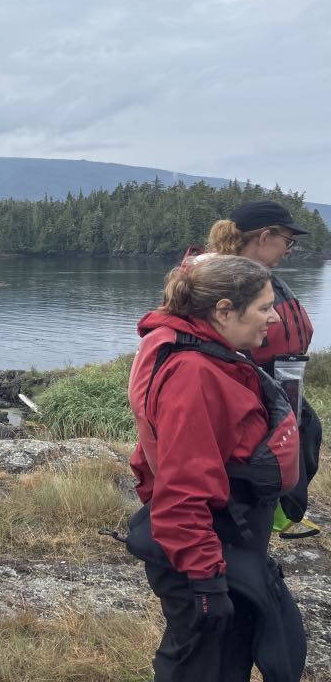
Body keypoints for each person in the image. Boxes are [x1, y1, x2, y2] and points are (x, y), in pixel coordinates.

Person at [126, 254, 305, 681]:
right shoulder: (193, 372)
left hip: (227, 541)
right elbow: (182, 488)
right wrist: (206, 582)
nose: (274, 318)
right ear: (224, 310)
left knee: (235, 657)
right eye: (263, 307)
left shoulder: (205, 352)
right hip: (207, 549)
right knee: (203, 667)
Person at [207, 200, 321, 535]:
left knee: (306, 432)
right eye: (287, 240)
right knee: (264, 448)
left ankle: (281, 511)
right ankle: (270, 515)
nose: (288, 250)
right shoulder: (225, 278)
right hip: (250, 376)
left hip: (281, 374)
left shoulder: (257, 277)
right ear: (265, 236)